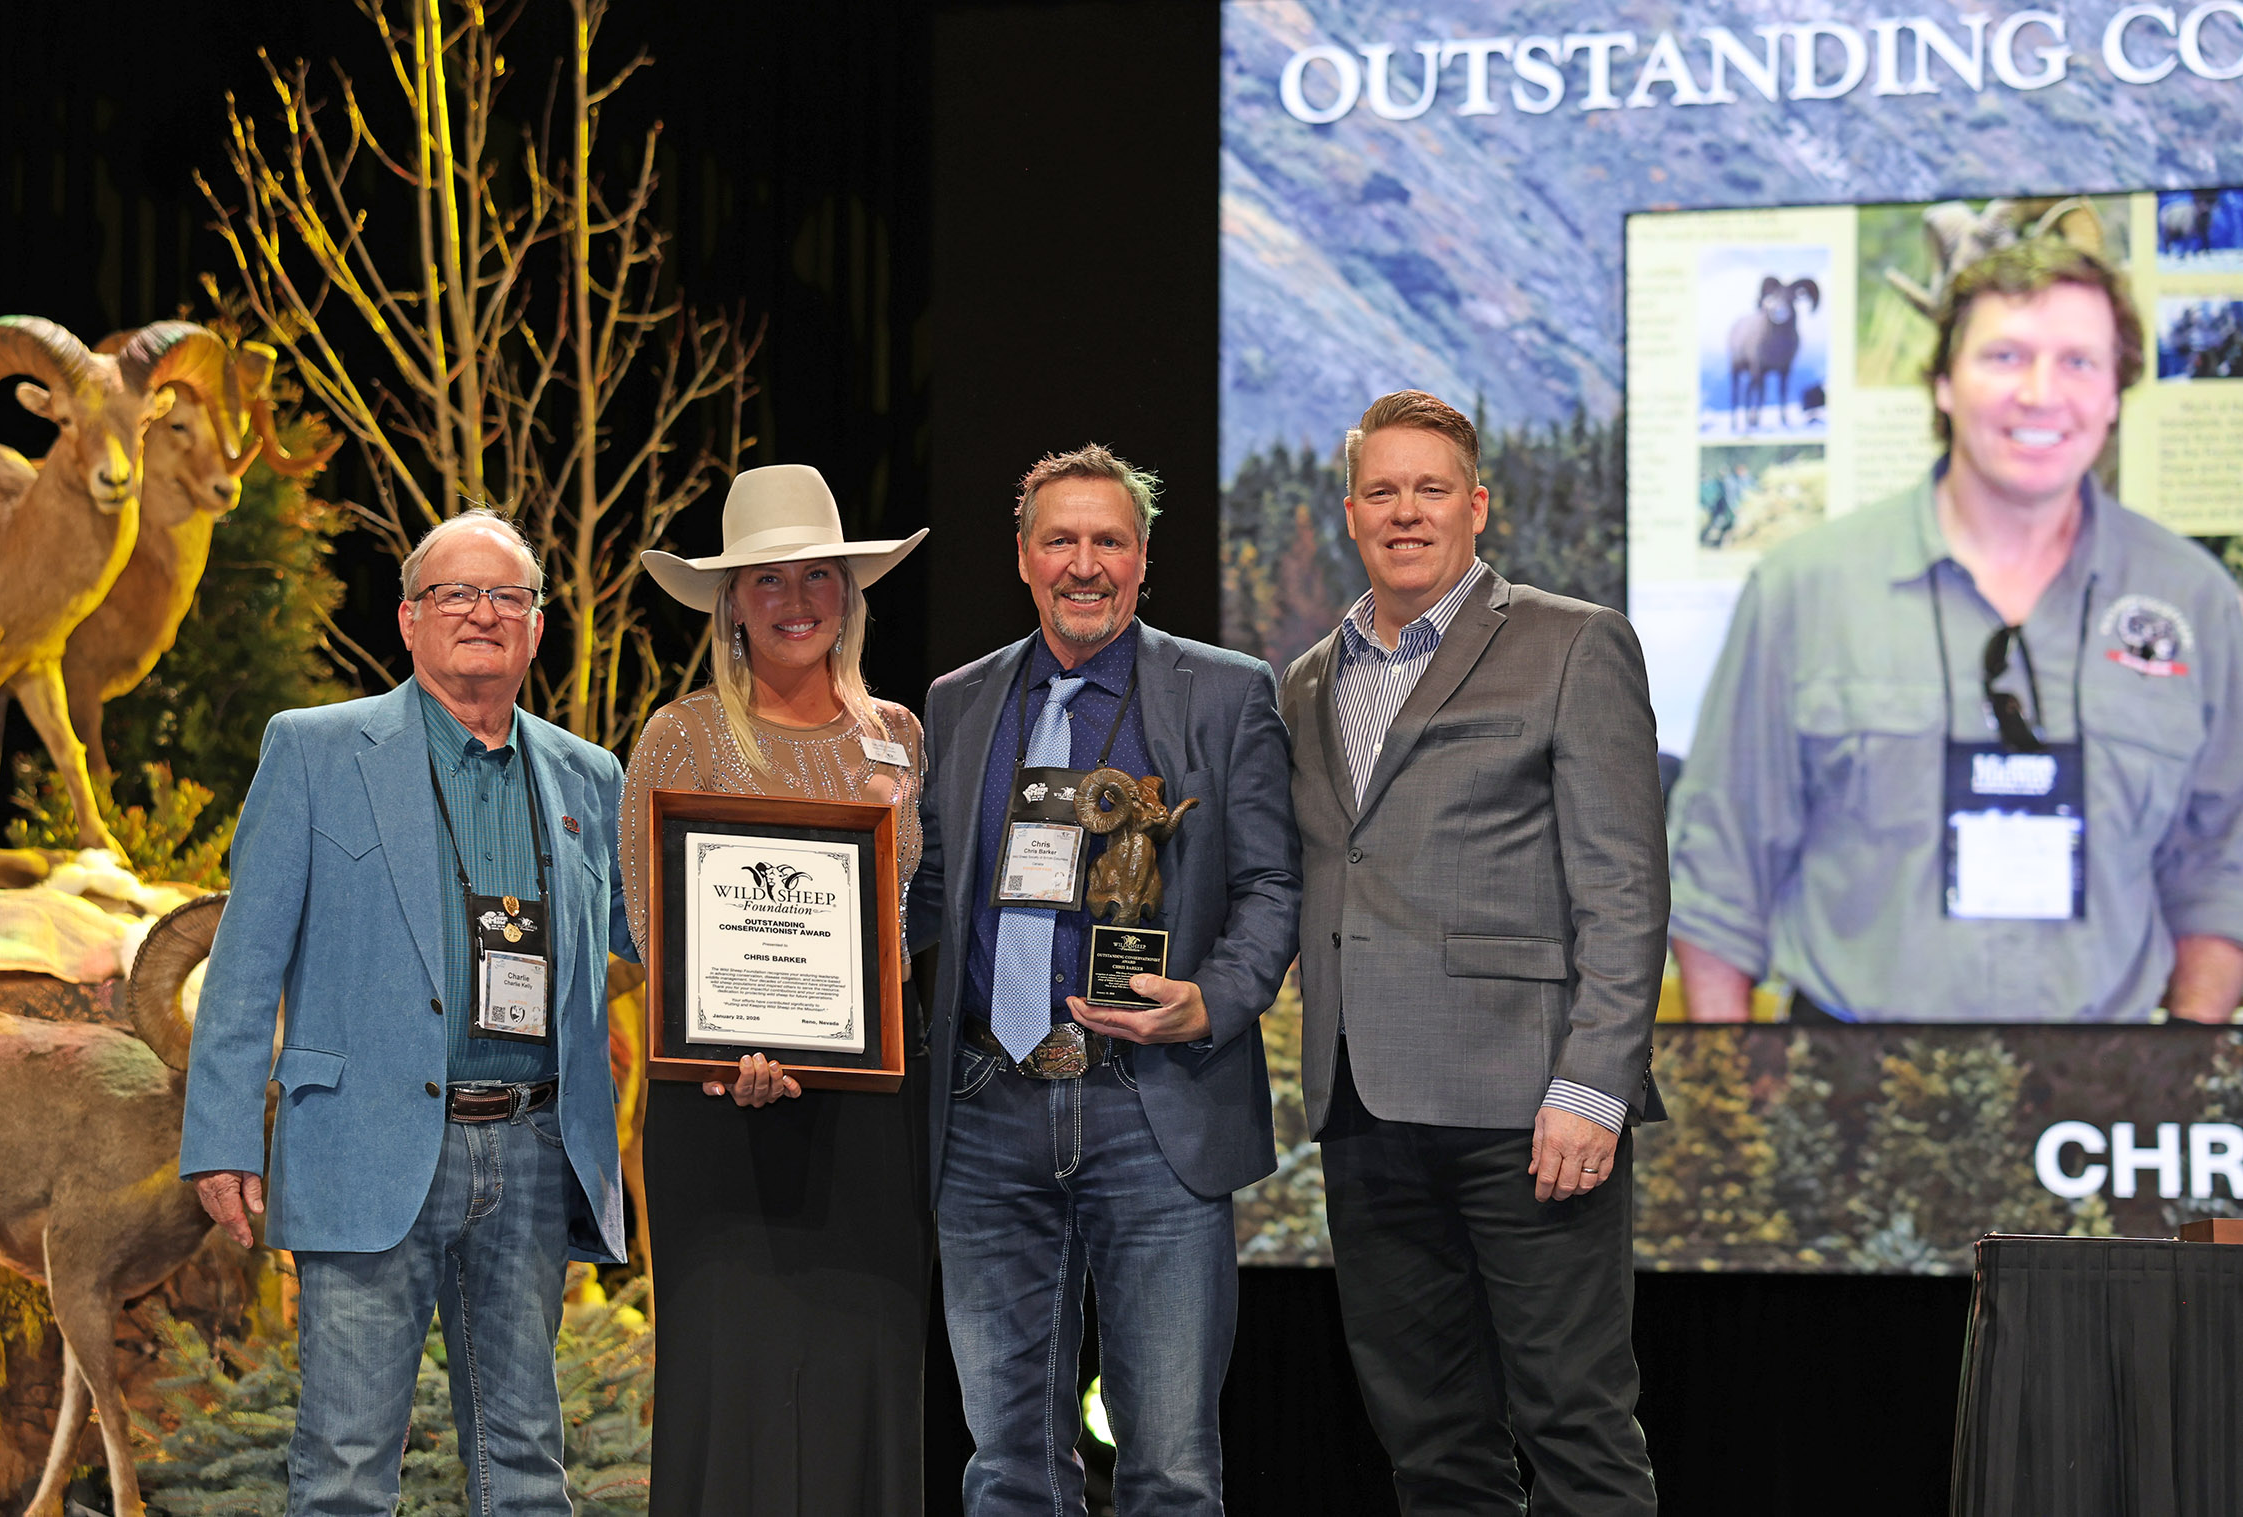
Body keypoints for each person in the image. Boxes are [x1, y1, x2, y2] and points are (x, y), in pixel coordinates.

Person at [179, 509, 629, 1517]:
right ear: (409, 620)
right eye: (453, 594)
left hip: (530, 1148)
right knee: (343, 1467)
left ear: (536, 627)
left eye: (506, 595)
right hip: (365, 1140)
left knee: (525, 1471)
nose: (480, 612)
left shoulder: (589, 777)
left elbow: (665, 933)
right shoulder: (313, 750)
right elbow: (244, 961)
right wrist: (220, 1137)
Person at [1669, 237, 2243, 1024]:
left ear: (2115, 394)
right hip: (1847, 1091)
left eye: (2078, 362)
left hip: (2105, 1102)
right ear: (1943, 383)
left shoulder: (2195, 605)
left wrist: (2180, 1071)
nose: (2041, 394)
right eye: (2004, 356)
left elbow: (2220, 869)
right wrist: (1734, 1105)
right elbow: (1719, 873)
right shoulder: (1806, 591)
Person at [1280, 389, 1666, 1515]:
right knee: (1431, 1442)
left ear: (1476, 505)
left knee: (1574, 1424)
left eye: (1430, 488)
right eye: (1382, 491)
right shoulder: (1310, 679)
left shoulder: (1570, 641)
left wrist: (1593, 1087)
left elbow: (1625, 886)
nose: (1406, 511)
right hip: (1364, 1109)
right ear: (1350, 513)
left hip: (1527, 1106)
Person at [907, 444, 1300, 1516]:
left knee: (1169, 1464)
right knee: (1006, 1467)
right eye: (1061, 540)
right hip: (987, 1112)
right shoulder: (957, 701)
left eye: (1109, 541)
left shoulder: (1225, 694)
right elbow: (927, 887)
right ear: (1024, 558)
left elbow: (1272, 883)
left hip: (1152, 1104)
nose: (1086, 563)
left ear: (1143, 558)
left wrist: (1214, 998)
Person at [619, 463, 931, 1515]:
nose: (796, 601)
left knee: (865, 1373)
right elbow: (650, 924)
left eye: (818, 576)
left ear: (850, 590)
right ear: (728, 603)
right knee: (730, 1382)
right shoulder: (680, 734)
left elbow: (897, 924)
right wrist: (718, 1054)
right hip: (720, 1111)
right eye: (766, 580)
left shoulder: (898, 734)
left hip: (868, 1112)